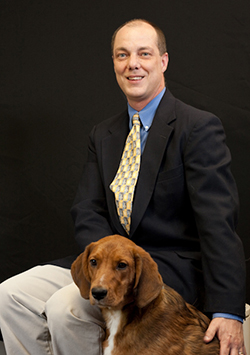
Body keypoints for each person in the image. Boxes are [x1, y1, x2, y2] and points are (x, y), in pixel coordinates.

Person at [0, 19, 246, 355]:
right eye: (122, 55)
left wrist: (229, 309)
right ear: (114, 64)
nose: (133, 64)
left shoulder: (198, 128)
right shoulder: (103, 134)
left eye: (144, 53)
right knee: (10, 296)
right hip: (106, 262)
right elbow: (87, 210)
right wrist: (105, 261)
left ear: (163, 61)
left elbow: (218, 224)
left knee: (65, 309)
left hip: (163, 269)